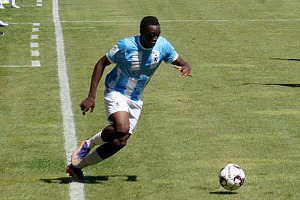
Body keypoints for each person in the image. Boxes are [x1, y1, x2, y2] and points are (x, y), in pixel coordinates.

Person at [66, 16, 192, 181]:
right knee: (122, 128)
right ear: (141, 33)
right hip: (116, 91)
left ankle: (77, 167)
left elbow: (180, 61)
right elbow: (101, 63)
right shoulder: (126, 45)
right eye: (151, 35)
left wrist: (186, 66)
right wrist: (91, 96)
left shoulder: (163, 45)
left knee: (120, 141)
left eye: (157, 35)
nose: (154, 38)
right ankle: (89, 144)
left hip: (136, 99)